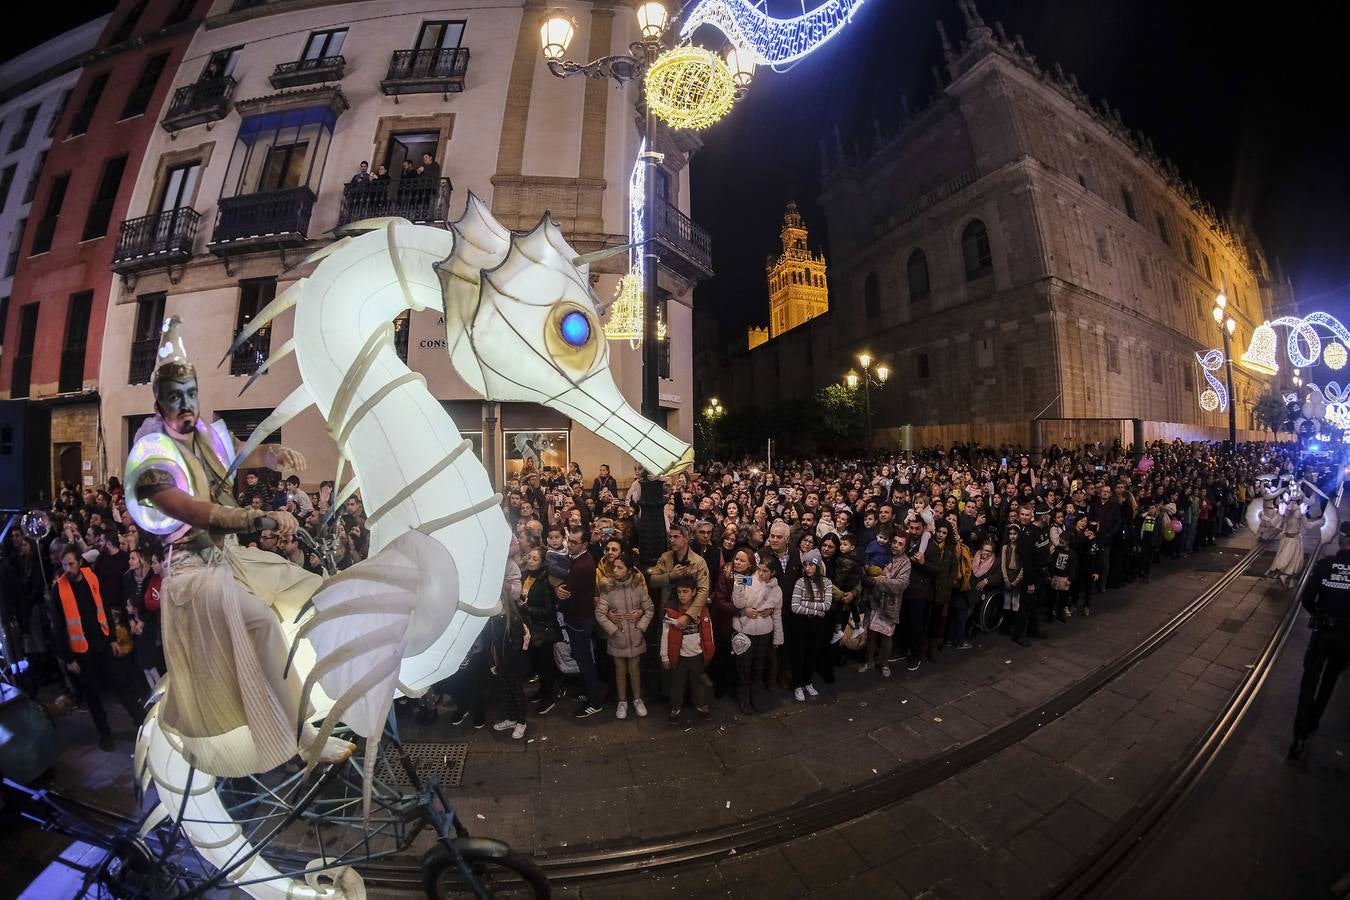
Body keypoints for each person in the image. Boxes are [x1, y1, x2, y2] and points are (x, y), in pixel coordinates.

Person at [123, 316, 353, 775]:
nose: (186, 406)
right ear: (158, 402)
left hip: (230, 559)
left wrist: (271, 455)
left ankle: (328, 688)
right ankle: (298, 735)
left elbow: (240, 451)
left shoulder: (204, 436)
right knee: (264, 623)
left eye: (191, 395)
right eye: (175, 398)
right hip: (193, 575)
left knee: (317, 591)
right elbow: (197, 512)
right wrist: (261, 517)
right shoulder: (151, 457)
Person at [51, 546, 145, 751]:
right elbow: (58, 627)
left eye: (71, 563)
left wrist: (112, 638)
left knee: (122, 684)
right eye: (64, 564)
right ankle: (105, 735)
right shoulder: (58, 589)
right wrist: (69, 659)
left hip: (102, 643)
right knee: (92, 697)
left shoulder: (91, 577)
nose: (68, 568)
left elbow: (104, 607)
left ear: (80, 562)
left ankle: (141, 721)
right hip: (82, 652)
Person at [1287, 528, 1350, 760]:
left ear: (1341, 541)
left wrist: (1319, 614)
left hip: (1323, 630)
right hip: (1346, 636)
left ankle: (1299, 735)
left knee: (1309, 681)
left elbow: (1307, 599)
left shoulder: (1325, 566)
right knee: (1330, 680)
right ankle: (1314, 720)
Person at [595, 552, 653, 719]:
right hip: (617, 638)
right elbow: (600, 613)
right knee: (620, 670)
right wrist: (613, 629)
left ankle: (637, 699)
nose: (615, 570)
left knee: (634, 670)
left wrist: (640, 626)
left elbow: (649, 609)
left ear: (629, 570)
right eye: (614, 567)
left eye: (620, 567)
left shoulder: (638, 588)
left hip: (635, 637)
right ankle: (622, 701)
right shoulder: (608, 589)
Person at [555, 526, 604, 718]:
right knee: (581, 656)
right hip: (578, 617)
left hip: (580, 619)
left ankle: (595, 701)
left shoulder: (583, 565)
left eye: (574, 543)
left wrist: (557, 591)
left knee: (585, 661)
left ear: (584, 544)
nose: (570, 545)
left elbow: (565, 593)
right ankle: (589, 692)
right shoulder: (577, 559)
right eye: (570, 540)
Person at [730, 548, 781, 713]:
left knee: (758, 665)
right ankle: (743, 696)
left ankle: (755, 695)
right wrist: (739, 589)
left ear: (772, 573)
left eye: (765, 571)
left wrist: (778, 639)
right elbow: (738, 603)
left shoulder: (776, 590)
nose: (761, 573)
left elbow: (777, 615)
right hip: (746, 629)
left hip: (764, 632)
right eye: (759, 569)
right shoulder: (749, 580)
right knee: (744, 665)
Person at [661, 576, 713, 723]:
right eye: (679, 592)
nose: (682, 595)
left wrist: (709, 651)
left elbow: (708, 631)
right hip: (680, 657)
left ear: (694, 592)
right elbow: (665, 636)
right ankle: (676, 706)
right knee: (677, 684)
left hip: (697, 655)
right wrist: (664, 656)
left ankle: (700, 705)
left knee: (698, 683)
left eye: (685, 591)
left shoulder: (701, 610)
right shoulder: (671, 612)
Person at [787, 549, 833, 701]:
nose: (808, 568)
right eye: (805, 565)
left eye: (811, 565)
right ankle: (797, 684)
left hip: (817, 625)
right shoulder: (800, 582)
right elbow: (794, 606)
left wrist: (807, 605)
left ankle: (808, 681)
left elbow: (827, 605)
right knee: (799, 654)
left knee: (812, 653)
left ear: (818, 565)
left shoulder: (826, 583)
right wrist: (815, 608)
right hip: (801, 624)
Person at [863, 532, 911, 677]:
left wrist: (879, 580)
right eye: (895, 541)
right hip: (873, 601)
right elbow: (867, 571)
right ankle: (869, 661)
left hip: (890, 605)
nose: (896, 545)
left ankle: (884, 663)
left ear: (905, 547)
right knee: (871, 633)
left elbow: (900, 585)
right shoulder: (882, 552)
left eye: (900, 543)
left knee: (886, 636)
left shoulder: (905, 562)